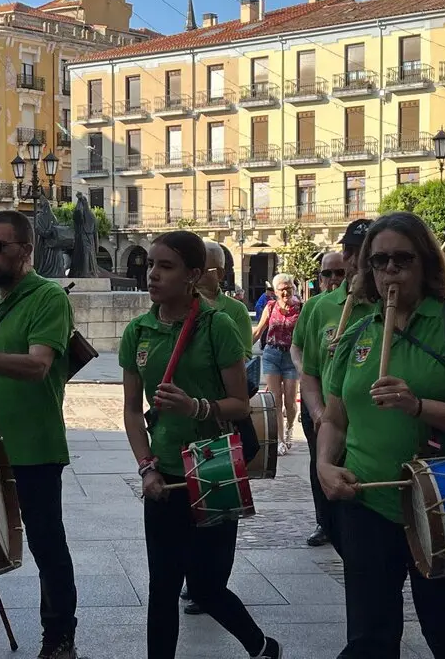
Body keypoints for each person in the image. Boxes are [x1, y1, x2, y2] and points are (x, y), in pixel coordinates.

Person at [317, 212, 445, 659]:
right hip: (367, 501)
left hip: (440, 500)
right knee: (369, 636)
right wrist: (323, 465)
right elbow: (336, 419)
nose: (390, 270)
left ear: (426, 263)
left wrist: (417, 405)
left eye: (403, 259)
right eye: (379, 261)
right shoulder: (357, 333)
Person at [119, 231, 281, 659]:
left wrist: (195, 407)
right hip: (165, 474)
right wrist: (146, 466)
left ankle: (262, 646)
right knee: (163, 586)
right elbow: (132, 411)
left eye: (165, 266)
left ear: (193, 275)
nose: (152, 275)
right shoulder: (138, 331)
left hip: (215, 468)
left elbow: (240, 403)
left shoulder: (217, 325)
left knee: (207, 587)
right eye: (150, 265)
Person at [0, 210, 80, 659]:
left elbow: (38, 365)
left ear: (25, 250)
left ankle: (59, 637)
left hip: (33, 444)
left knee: (46, 544)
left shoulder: (47, 297)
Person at [183, 239, 255, 616]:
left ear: (219, 273)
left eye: (205, 269)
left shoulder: (233, 312)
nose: (197, 276)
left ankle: (212, 586)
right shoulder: (176, 310)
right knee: (188, 507)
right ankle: (194, 580)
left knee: (220, 509)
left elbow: (241, 359)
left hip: (222, 421)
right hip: (185, 423)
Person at [291, 242, 369, 549]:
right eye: (328, 273)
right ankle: (324, 522)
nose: (334, 278)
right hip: (321, 404)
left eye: (339, 272)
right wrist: (308, 376)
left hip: (358, 409)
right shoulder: (316, 307)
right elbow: (299, 348)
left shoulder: (374, 306)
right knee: (321, 462)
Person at [252, 273, 302, 455]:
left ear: (293, 288)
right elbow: (258, 331)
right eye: (281, 289)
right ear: (275, 291)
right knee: (276, 400)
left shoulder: (301, 308)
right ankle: (280, 440)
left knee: (290, 401)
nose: (285, 292)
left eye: (288, 288)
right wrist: (243, 352)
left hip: (291, 357)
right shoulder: (270, 307)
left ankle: (289, 427)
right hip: (271, 354)